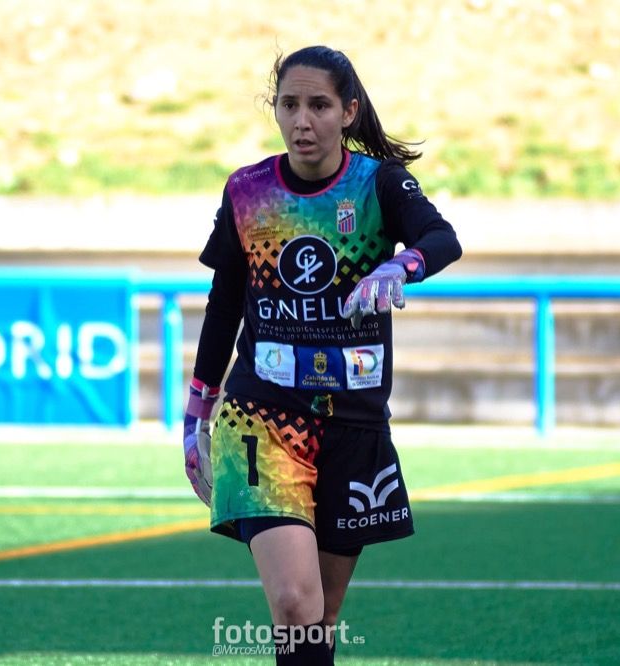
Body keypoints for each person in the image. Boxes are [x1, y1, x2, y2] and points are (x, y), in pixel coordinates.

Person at [183, 45, 462, 665]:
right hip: (260, 417)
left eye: (318, 106)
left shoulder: (379, 184)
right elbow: (224, 304)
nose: (301, 121)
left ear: (348, 112)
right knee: (293, 600)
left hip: (353, 422)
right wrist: (196, 412)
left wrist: (402, 264)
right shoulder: (247, 190)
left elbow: (442, 238)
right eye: (289, 105)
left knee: (320, 619)